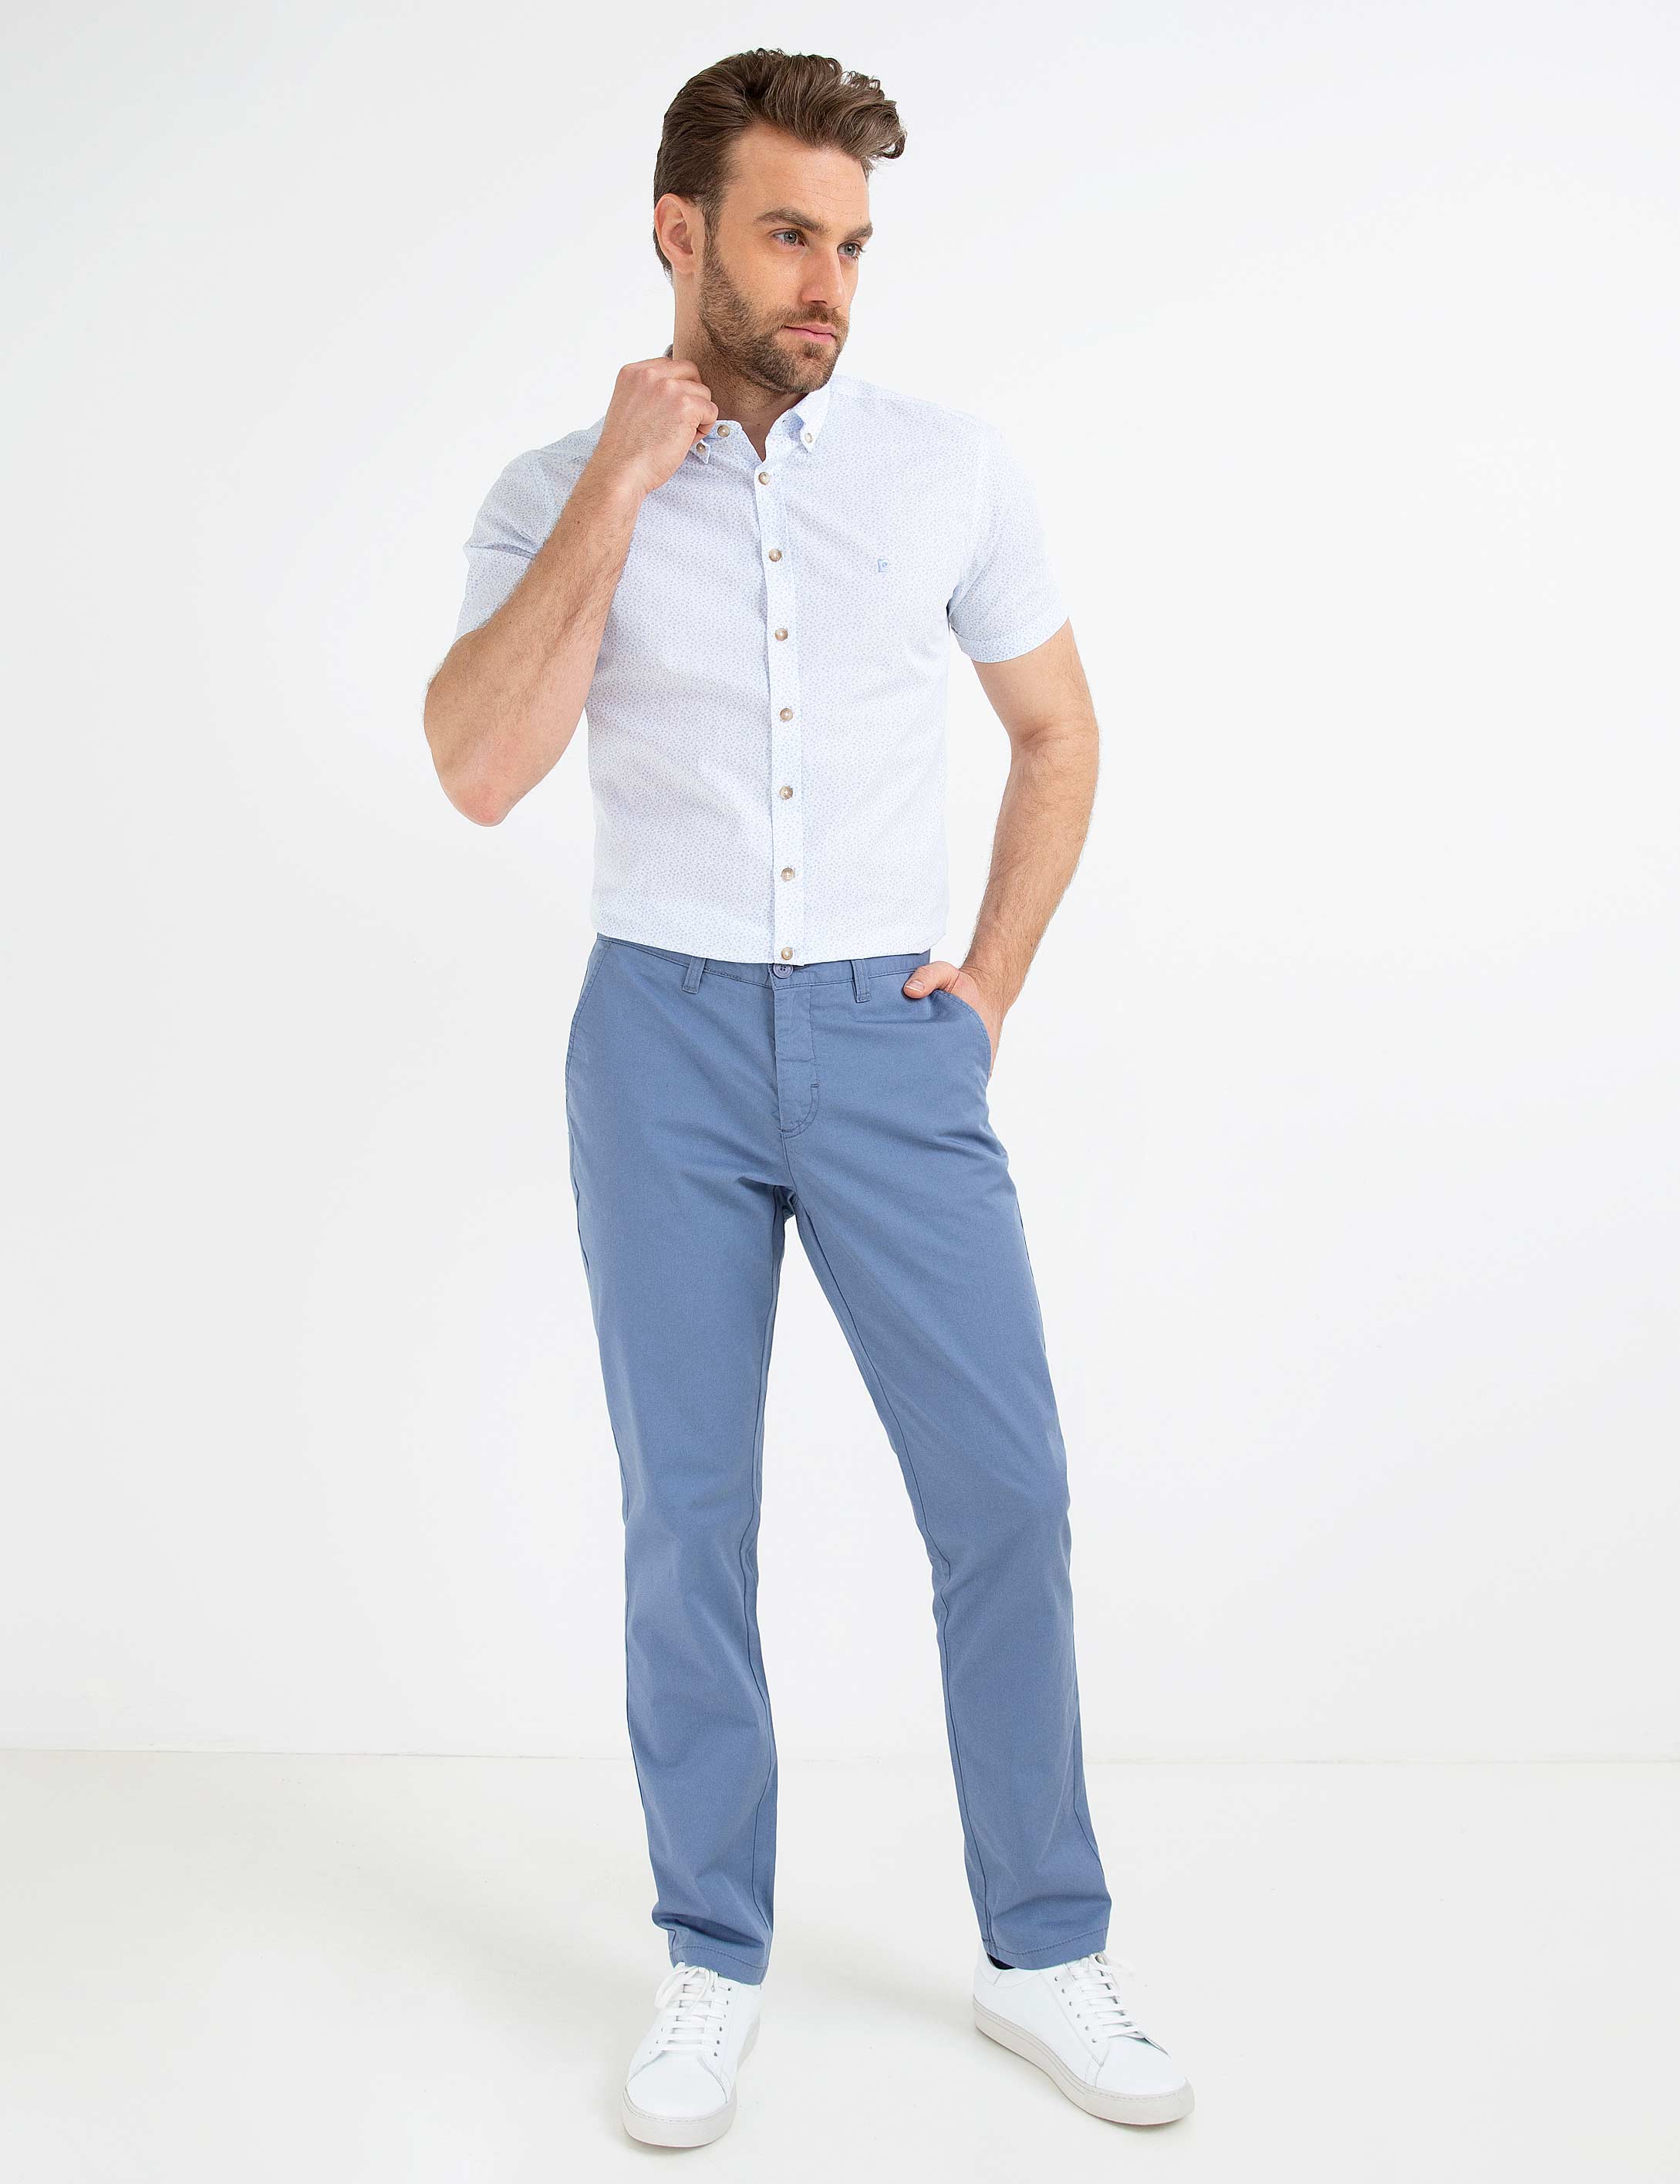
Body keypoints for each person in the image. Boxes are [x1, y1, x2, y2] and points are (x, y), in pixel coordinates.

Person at [423, 44, 1194, 2149]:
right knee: (688, 1519)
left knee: (1006, 1494)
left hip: (887, 1032)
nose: (826, 281)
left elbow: (1057, 734)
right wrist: (621, 479)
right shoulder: (547, 490)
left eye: (849, 241)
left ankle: (1042, 1949)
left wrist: (985, 994)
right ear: (681, 236)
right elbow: (479, 767)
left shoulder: (948, 469)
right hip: (656, 1038)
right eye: (786, 234)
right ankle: (711, 1957)